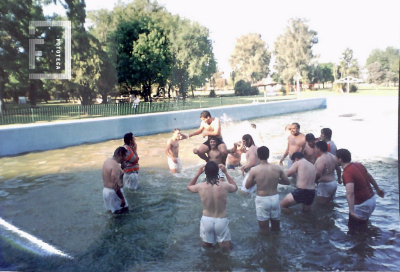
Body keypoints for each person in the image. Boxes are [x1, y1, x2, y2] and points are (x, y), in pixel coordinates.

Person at [187, 161, 238, 250]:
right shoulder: (225, 186)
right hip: (221, 220)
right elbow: (235, 187)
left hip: (206, 220)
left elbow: (189, 186)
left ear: (205, 172)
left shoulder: (200, 186)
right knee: (226, 251)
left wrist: (198, 173)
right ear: (218, 172)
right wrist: (225, 172)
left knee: (206, 250)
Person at [336, 149, 385, 230]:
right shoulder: (358, 165)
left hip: (362, 205)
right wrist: (377, 189)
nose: (334, 159)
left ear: (340, 160)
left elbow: (350, 192)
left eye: (336, 157)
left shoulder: (347, 173)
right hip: (372, 200)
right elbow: (370, 178)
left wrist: (351, 211)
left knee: (353, 231)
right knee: (362, 226)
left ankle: (362, 240)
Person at [245, 146, 290, 231]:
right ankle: (276, 243)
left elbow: (247, 186)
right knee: (276, 228)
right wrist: (276, 180)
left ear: (258, 156)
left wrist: (256, 181)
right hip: (275, 198)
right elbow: (287, 182)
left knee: (264, 230)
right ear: (268, 155)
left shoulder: (254, 170)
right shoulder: (277, 168)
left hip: (262, 199)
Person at [102, 147, 129, 214]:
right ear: (120, 155)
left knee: (111, 213)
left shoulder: (107, 161)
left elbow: (110, 176)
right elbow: (115, 184)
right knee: (124, 211)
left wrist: (121, 168)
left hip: (106, 191)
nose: (125, 158)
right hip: (114, 192)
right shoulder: (115, 166)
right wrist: (122, 198)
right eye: (125, 156)